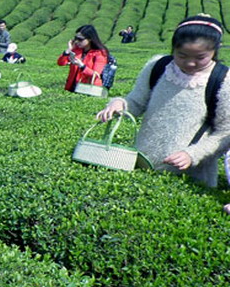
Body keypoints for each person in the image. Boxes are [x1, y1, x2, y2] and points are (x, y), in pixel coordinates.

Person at [97, 15, 230, 190]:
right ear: (173, 47)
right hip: (142, 163)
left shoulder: (223, 79)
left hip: (191, 178)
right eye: (182, 55)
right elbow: (136, 101)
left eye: (200, 57)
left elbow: (225, 133)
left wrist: (192, 155)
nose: (190, 63)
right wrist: (119, 105)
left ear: (215, 49)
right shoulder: (158, 66)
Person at [57, 25, 109, 92]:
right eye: (76, 38)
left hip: (89, 89)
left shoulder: (100, 54)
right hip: (72, 87)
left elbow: (95, 75)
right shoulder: (77, 50)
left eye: (80, 39)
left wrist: (81, 66)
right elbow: (60, 63)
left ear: (90, 39)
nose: (77, 41)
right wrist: (68, 50)